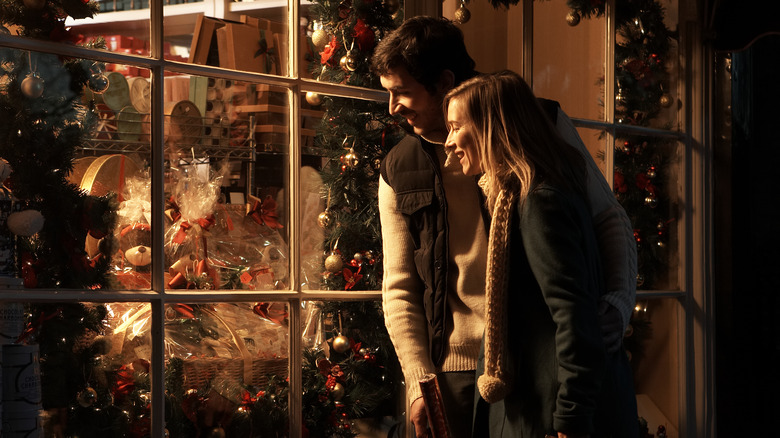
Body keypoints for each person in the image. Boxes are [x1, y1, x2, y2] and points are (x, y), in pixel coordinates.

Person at [371, 16, 637, 438]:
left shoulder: (539, 126)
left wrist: (618, 304)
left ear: (443, 82)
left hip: (536, 363)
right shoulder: (397, 167)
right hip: (455, 377)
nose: (393, 108)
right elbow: (400, 285)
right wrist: (420, 381)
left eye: (402, 92)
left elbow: (608, 217)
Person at [443, 70, 638, 438]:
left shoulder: (538, 202)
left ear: (493, 127)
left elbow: (573, 318)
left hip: (549, 414)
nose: (449, 142)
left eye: (455, 127)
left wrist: (570, 419)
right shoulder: (517, 195)